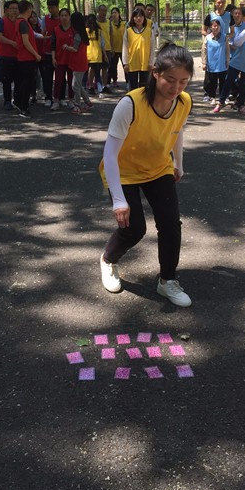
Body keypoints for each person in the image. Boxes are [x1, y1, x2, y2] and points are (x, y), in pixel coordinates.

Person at [98, 43, 195, 307]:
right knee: (133, 229)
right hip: (124, 170)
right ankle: (108, 260)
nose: (176, 88)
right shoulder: (130, 104)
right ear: (155, 73)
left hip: (158, 167)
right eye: (170, 80)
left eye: (183, 81)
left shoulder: (184, 101)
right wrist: (119, 199)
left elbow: (177, 130)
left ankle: (168, 281)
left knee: (170, 224)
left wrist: (179, 162)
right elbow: (109, 153)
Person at [12, 0, 41, 117]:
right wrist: (36, 54)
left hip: (24, 57)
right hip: (26, 58)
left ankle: (19, 102)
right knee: (27, 83)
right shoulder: (22, 23)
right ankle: (24, 107)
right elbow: (25, 41)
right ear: (28, 9)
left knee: (25, 82)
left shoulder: (21, 22)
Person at [0, 0, 20, 110]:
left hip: (18, 56)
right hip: (5, 56)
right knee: (6, 81)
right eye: (12, 8)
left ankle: (18, 100)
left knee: (18, 80)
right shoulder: (2, 22)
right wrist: (12, 43)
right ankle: (7, 101)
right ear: (7, 10)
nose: (14, 11)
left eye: (16, 8)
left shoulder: (20, 22)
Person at [122, 7, 155, 91]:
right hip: (132, 63)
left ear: (144, 18)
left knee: (143, 87)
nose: (138, 18)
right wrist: (125, 63)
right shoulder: (128, 31)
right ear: (133, 18)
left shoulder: (149, 31)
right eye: (136, 16)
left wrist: (151, 62)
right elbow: (125, 48)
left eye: (141, 16)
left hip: (145, 63)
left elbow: (152, 47)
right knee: (133, 88)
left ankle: (143, 103)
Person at [65, 11, 91, 113]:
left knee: (75, 85)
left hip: (78, 63)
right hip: (81, 62)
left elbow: (75, 49)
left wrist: (66, 47)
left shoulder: (77, 35)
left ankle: (77, 104)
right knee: (78, 85)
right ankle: (87, 101)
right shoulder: (82, 33)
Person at [51, 7, 74, 111]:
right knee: (58, 81)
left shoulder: (74, 30)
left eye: (66, 15)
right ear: (59, 17)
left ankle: (71, 100)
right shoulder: (56, 29)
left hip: (71, 59)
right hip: (59, 59)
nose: (64, 17)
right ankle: (56, 101)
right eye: (62, 15)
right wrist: (53, 58)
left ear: (69, 17)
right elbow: (53, 45)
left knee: (71, 81)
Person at [201, 19, 229, 103]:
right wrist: (204, 63)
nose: (216, 27)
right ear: (211, 27)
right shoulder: (208, 38)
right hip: (211, 64)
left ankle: (223, 97)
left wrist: (228, 61)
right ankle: (211, 96)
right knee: (211, 82)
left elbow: (227, 50)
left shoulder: (224, 37)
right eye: (214, 25)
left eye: (217, 26)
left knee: (223, 82)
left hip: (222, 64)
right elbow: (204, 51)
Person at [41, 0, 60, 107]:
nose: (50, 10)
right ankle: (48, 97)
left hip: (60, 53)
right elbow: (43, 33)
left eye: (52, 8)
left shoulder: (63, 18)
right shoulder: (45, 19)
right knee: (47, 77)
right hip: (48, 52)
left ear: (57, 7)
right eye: (49, 7)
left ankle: (60, 97)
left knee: (60, 77)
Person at [85, 14, 105, 98]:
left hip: (87, 54)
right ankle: (100, 91)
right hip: (97, 55)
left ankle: (86, 88)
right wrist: (104, 54)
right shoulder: (99, 31)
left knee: (85, 73)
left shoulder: (85, 30)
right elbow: (102, 44)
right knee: (97, 74)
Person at [96, 5, 113, 94]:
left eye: (105, 11)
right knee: (96, 68)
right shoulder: (94, 22)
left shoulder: (109, 23)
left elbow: (111, 36)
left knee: (105, 68)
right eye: (102, 10)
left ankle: (105, 85)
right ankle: (96, 85)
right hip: (97, 49)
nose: (104, 12)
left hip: (107, 49)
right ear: (98, 11)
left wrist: (112, 48)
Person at [108, 7, 125, 87]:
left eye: (115, 12)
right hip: (113, 49)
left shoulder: (124, 24)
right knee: (113, 66)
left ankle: (128, 81)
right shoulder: (109, 24)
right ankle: (114, 80)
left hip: (123, 49)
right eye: (113, 13)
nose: (114, 14)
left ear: (119, 14)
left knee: (125, 65)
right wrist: (111, 48)